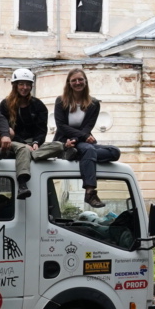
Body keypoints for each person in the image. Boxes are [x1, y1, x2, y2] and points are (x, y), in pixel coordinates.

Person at [53, 68, 121, 208]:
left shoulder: (94, 103)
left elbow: (88, 127)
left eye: (80, 79)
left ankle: (79, 155)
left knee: (114, 152)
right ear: (69, 83)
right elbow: (61, 126)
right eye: (74, 80)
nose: (77, 82)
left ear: (85, 81)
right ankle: (90, 192)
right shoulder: (61, 101)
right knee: (89, 149)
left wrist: (80, 138)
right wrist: (82, 137)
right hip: (65, 140)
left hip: (81, 142)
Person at [2, 68, 65, 200]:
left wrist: (36, 142)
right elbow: (5, 128)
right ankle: (23, 183)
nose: (25, 87)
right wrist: (25, 144)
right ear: (15, 85)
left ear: (31, 86)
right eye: (21, 84)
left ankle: (30, 154)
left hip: (33, 144)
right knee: (23, 149)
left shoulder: (38, 105)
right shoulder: (5, 105)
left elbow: (41, 130)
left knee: (59, 146)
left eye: (28, 84)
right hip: (14, 142)